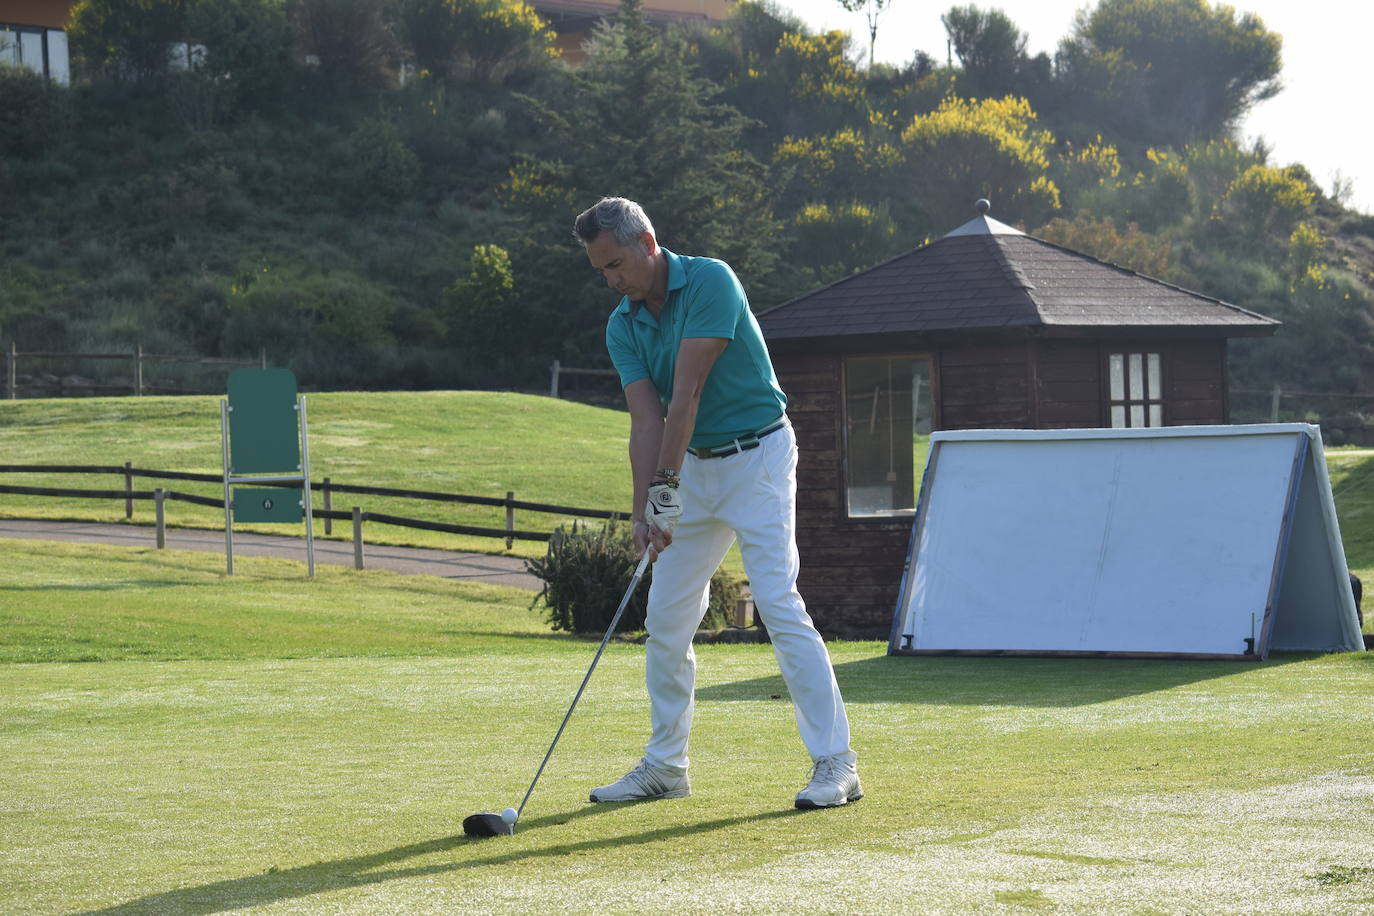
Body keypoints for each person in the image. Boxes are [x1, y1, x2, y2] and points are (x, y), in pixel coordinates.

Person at [571, 197, 860, 810]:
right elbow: (647, 422)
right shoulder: (623, 324)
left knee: (779, 604)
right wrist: (642, 509)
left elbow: (688, 393)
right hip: (694, 467)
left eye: (617, 264)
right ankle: (665, 766)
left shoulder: (710, 280)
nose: (611, 281)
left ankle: (837, 763)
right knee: (667, 621)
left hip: (756, 457)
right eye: (601, 271)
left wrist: (665, 488)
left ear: (648, 243)